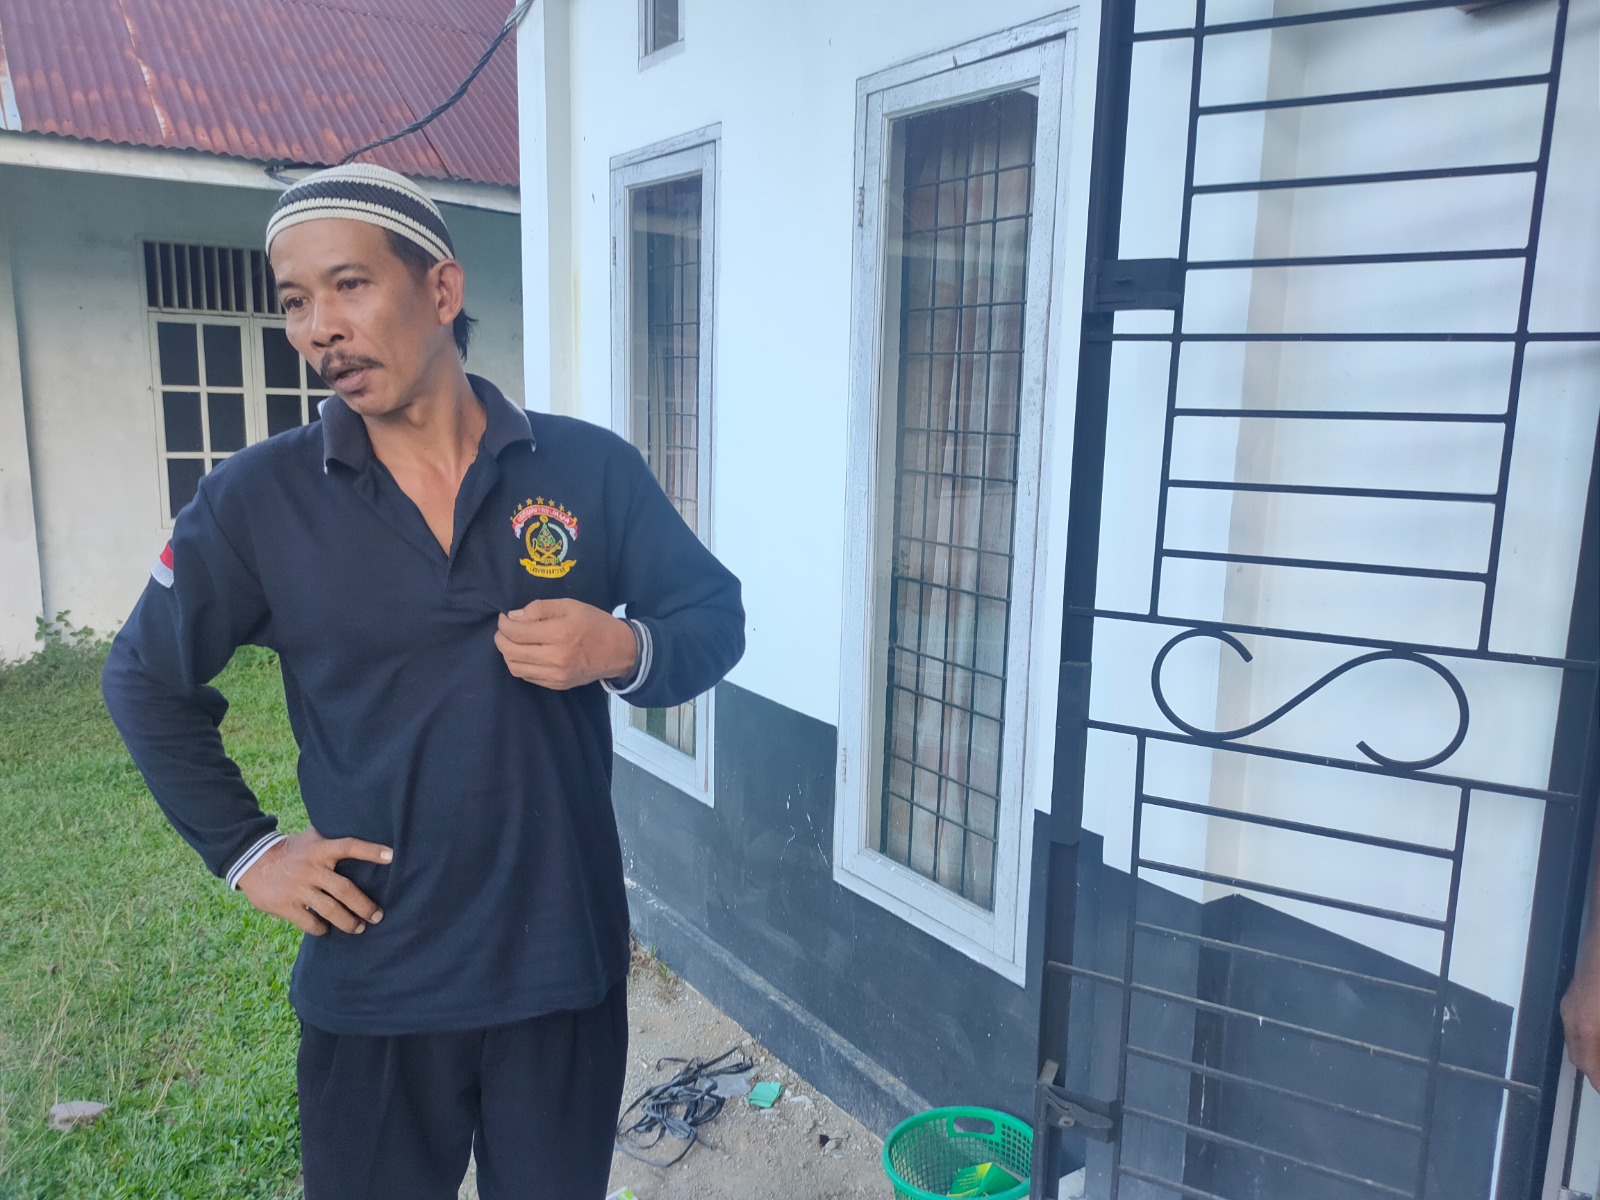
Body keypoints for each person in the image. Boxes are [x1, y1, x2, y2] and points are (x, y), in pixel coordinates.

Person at [101, 163, 745, 1200]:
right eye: (294, 301)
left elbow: (713, 618)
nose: (319, 328)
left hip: (560, 968)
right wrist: (247, 851)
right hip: (377, 977)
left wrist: (620, 649)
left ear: (441, 289)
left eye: (349, 285)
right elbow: (142, 678)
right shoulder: (257, 501)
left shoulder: (585, 470)